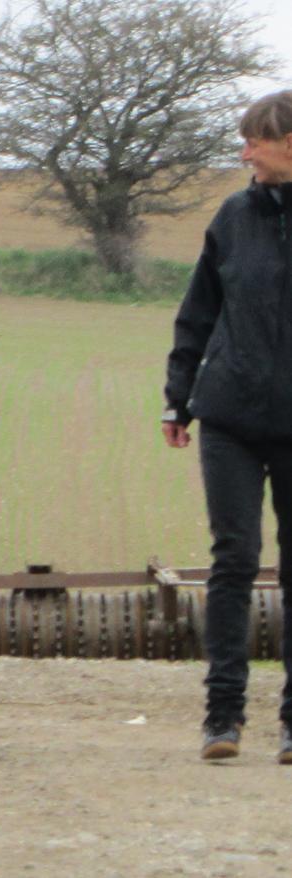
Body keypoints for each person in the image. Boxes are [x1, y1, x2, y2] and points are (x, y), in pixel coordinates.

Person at [164, 89, 292, 763]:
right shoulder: (233, 216)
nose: (243, 153)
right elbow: (197, 312)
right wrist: (176, 397)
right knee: (234, 560)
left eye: (254, 141)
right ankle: (223, 719)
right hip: (230, 417)